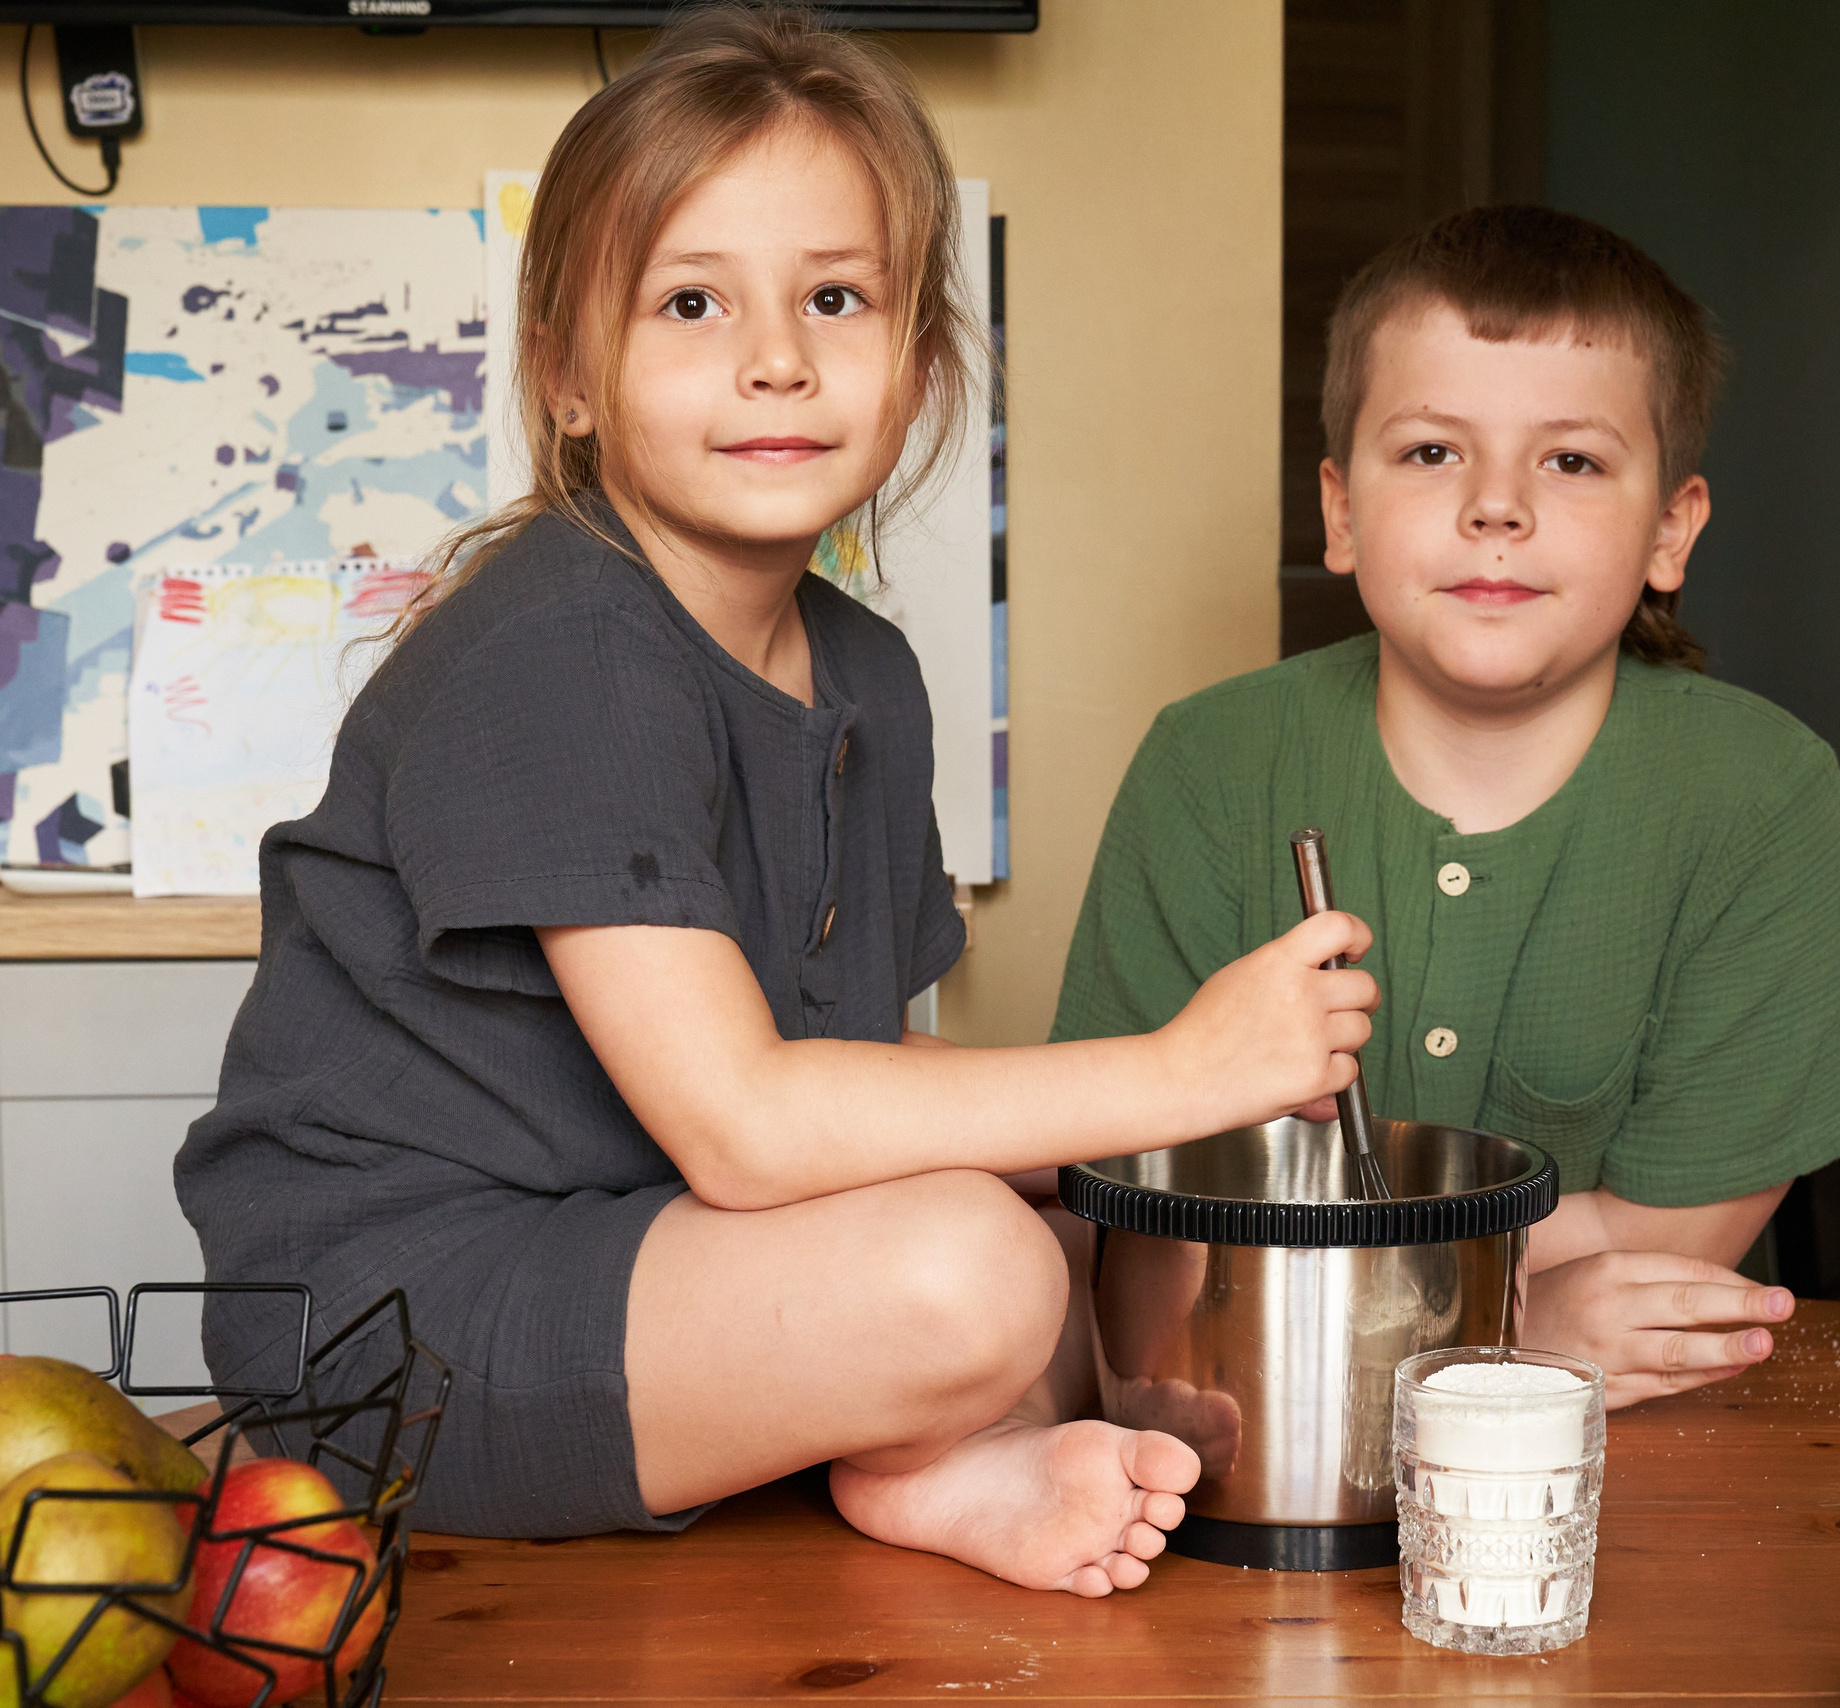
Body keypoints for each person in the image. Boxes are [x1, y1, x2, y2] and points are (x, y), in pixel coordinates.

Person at [174, 5, 1380, 1598]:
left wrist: (1195, 1134)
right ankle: (924, 1454)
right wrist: (1178, 1069)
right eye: (692, 302)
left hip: (640, 1244)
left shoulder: (867, 675)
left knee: (1115, 1254)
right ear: (567, 375)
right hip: (394, 1323)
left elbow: (867, 1082)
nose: (777, 360)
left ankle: (924, 1460)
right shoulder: (556, 652)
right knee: (977, 1273)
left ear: (919, 361)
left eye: (836, 297)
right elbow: (748, 1127)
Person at [1051, 205, 1840, 1411]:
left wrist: (1325, 1290)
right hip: (1233, 1417)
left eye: (1572, 461)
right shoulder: (1206, 761)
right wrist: (1522, 1321)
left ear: (1670, 528)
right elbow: (1120, 1194)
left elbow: (1664, 1247)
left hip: (1630, 1466)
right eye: (1433, 452)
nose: (1497, 506)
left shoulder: (1761, 796)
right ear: (1339, 512)